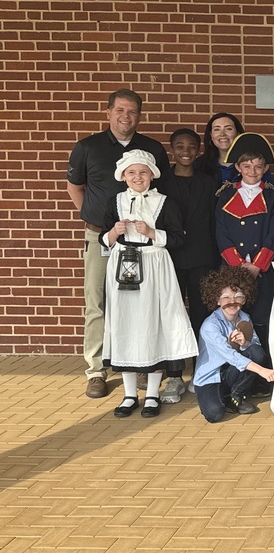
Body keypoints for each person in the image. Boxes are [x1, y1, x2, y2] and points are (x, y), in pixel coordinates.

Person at [66, 89, 170, 399]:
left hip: (141, 244)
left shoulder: (152, 148)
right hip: (102, 236)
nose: (126, 116)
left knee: (141, 301)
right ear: (108, 112)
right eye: (120, 110)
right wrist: (93, 217)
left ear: (139, 115)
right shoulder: (88, 147)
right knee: (97, 301)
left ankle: (141, 363)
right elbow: (75, 186)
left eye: (133, 111)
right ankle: (96, 370)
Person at [99, 149, 198, 418]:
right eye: (132, 172)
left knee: (154, 322)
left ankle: (153, 393)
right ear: (123, 175)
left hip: (154, 265)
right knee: (126, 324)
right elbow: (103, 240)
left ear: (152, 175)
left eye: (143, 172)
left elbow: (178, 238)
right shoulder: (115, 201)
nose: (137, 177)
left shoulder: (165, 202)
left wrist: (151, 232)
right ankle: (130, 394)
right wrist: (114, 232)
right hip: (123, 265)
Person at [159, 128, 219, 404]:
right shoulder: (160, 182)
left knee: (200, 317)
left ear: (198, 151)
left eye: (191, 146)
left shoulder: (209, 183)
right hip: (168, 258)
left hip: (201, 259)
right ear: (172, 150)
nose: (186, 151)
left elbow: (213, 222)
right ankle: (173, 375)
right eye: (180, 146)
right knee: (171, 317)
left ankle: (199, 370)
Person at [215, 133, 274, 359]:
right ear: (238, 167)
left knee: (263, 319)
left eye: (258, 166)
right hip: (232, 269)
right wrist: (238, 267)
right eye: (247, 166)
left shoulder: (272, 196)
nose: (252, 171)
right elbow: (221, 232)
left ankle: (264, 371)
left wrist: (257, 266)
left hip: (262, 270)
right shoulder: (225, 193)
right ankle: (238, 372)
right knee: (234, 320)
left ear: (265, 169)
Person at [193, 266, 274, 421]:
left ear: (244, 299)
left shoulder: (245, 317)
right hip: (210, 376)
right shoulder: (210, 325)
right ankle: (222, 397)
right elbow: (231, 356)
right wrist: (263, 371)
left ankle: (236, 394)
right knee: (214, 415)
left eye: (238, 296)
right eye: (225, 297)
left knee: (256, 351)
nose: (232, 301)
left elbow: (256, 347)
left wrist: (245, 342)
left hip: (231, 373)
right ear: (217, 300)